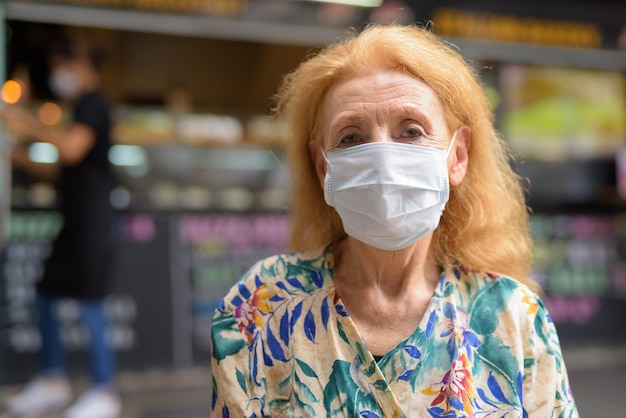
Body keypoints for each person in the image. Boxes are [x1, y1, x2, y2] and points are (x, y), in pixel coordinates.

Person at [210, 24, 579, 417]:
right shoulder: (260, 307)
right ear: (323, 168)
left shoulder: (515, 318)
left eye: (411, 130)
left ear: (458, 157)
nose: (383, 157)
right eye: (351, 138)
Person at [1, 39, 120, 418]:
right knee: (45, 296)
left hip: (93, 227)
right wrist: (15, 156)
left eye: (62, 66)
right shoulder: (78, 107)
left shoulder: (94, 104)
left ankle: (104, 391)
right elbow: (63, 171)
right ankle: (52, 380)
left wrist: (21, 120)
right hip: (72, 224)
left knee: (91, 308)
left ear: (81, 63)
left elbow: (70, 150)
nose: (60, 76)